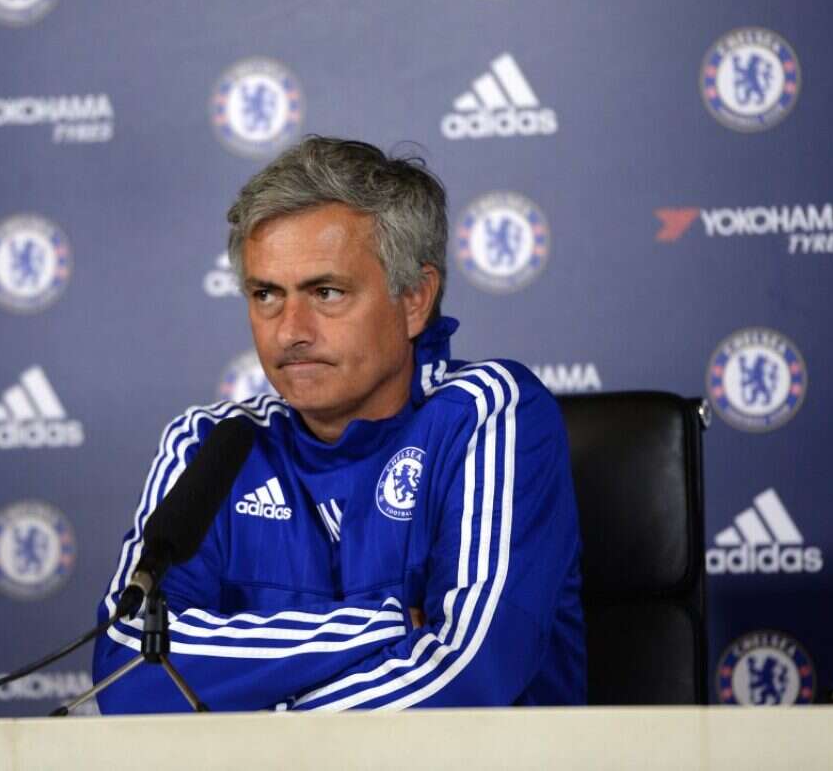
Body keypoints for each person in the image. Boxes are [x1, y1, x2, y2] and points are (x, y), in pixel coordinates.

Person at [93, 136, 585, 711]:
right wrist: (383, 627)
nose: (290, 330)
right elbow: (126, 666)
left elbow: (468, 677)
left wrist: (254, 718)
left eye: (325, 292)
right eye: (266, 294)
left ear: (415, 299)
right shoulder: (211, 445)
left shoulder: (487, 414)